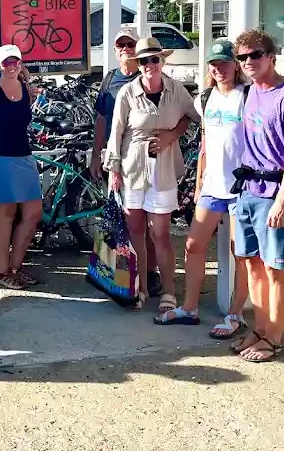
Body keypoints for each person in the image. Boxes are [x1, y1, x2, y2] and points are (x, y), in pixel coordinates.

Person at [155, 40, 250, 335]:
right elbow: (205, 143)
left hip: (242, 187)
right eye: (214, 63)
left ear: (235, 64)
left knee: (240, 252)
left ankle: (235, 314)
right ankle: (190, 307)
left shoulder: (248, 95)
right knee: (193, 245)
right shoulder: (205, 98)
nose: (219, 68)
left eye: (225, 62)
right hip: (212, 186)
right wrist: (199, 182)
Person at [230, 29, 284, 363]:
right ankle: (260, 329)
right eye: (242, 57)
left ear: (271, 57)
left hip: (276, 193)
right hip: (248, 190)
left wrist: (281, 201)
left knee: (275, 268)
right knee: (252, 264)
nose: (248, 61)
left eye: (255, 54)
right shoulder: (251, 92)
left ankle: (274, 338)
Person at [106, 36, 198, 313]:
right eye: (144, 60)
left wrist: (173, 134)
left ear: (162, 61)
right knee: (135, 232)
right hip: (132, 169)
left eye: (154, 59)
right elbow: (116, 131)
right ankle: (141, 288)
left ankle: (169, 291)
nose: (149, 65)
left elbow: (194, 115)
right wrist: (113, 170)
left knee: (161, 234)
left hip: (164, 170)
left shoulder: (176, 90)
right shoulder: (127, 93)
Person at [90, 26, 162, 299]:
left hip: (143, 160)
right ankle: (125, 273)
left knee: (148, 223)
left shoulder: (149, 77)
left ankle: (150, 272)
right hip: (116, 161)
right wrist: (97, 155)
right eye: (121, 45)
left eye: (130, 44)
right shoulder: (109, 79)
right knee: (121, 219)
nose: (125, 49)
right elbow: (101, 120)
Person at [0, 45, 42, 289]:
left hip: (24, 156)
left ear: (20, 64)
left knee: (33, 213)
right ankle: (2, 271)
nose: (11, 66)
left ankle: (15, 266)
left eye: (15, 62)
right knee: (5, 215)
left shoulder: (25, 89)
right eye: (6, 63)